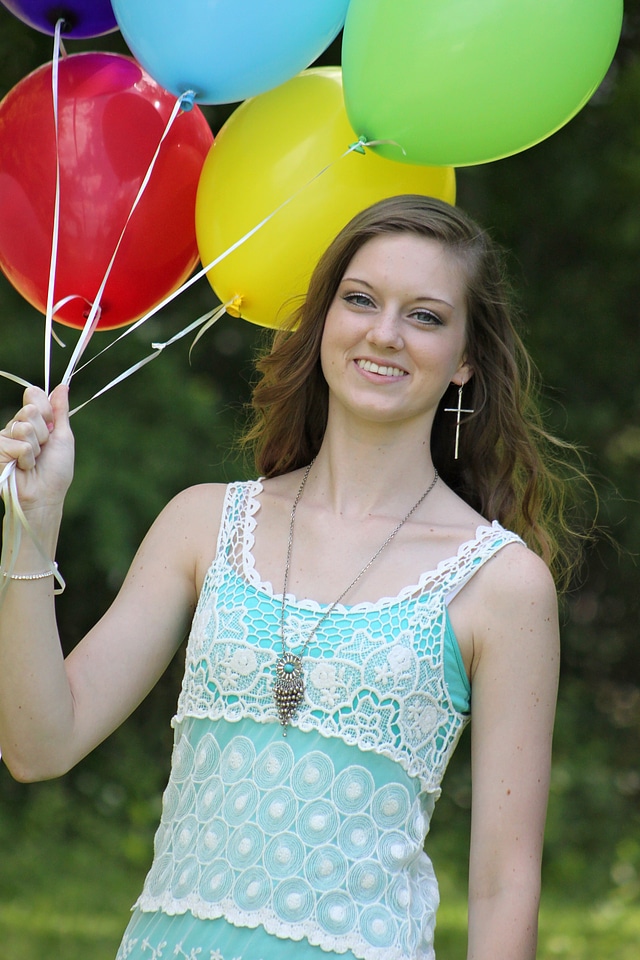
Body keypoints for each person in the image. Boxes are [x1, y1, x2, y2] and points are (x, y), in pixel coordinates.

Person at [0, 195, 579, 960]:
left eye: (426, 316)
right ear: (323, 319)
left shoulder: (502, 583)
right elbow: (38, 746)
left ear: (467, 358)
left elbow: (506, 882)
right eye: (361, 300)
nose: (384, 333)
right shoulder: (203, 523)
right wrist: (31, 525)